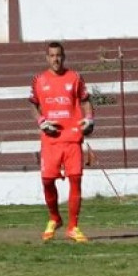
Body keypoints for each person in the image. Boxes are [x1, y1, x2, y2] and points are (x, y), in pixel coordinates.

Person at [28, 41, 95, 243]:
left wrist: (90, 119)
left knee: (76, 179)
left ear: (63, 57)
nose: (55, 59)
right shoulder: (39, 80)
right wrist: (41, 122)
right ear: (46, 58)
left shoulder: (75, 78)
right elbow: (33, 105)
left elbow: (85, 101)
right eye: (52, 55)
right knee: (47, 180)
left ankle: (73, 227)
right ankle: (55, 218)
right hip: (51, 140)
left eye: (59, 55)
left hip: (72, 137)